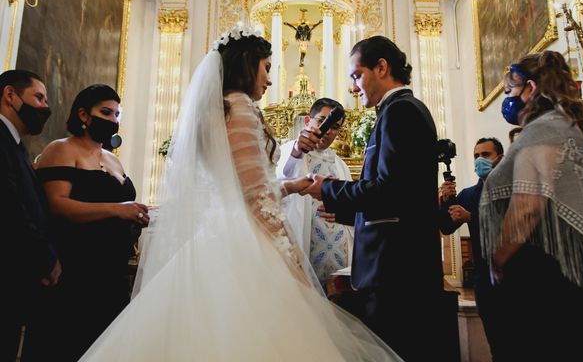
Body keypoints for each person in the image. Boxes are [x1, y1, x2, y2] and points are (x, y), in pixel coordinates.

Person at [78, 28, 402, 361]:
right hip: (247, 242)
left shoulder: (216, 110)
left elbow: (237, 185)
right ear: (247, 66)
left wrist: (291, 185)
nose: (270, 80)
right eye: (266, 68)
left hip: (218, 235)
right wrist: (290, 255)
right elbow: (257, 197)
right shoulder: (241, 108)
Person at [481, 51, 583, 361]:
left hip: (538, 274)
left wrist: (498, 257)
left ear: (530, 89)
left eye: (511, 91)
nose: (509, 99)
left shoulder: (545, 130)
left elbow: (528, 205)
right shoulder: (558, 126)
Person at [303, 36, 451, 361]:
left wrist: (329, 189)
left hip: (397, 270)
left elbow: (390, 190)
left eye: (357, 75)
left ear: (381, 67)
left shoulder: (401, 112)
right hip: (394, 264)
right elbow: (398, 199)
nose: (354, 88)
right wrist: (343, 212)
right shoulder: (395, 111)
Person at [35, 84, 149, 361]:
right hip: (77, 265)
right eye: (106, 112)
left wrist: (140, 213)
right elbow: (57, 204)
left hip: (112, 267)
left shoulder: (112, 159)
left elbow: (122, 205)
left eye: (117, 114)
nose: (113, 120)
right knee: (71, 343)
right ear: (84, 115)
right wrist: (116, 209)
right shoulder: (61, 149)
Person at [0, 69, 59, 362]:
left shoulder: (16, 146)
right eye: (38, 97)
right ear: (10, 95)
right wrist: (45, 257)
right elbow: (9, 206)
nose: (44, 107)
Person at [439, 137, 505, 361]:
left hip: (512, 275)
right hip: (484, 277)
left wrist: (471, 217)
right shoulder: (468, 194)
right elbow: (447, 227)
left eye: (485, 155)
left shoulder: (511, 189)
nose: (479, 160)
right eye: (476, 156)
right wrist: (446, 201)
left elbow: (508, 225)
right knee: (496, 340)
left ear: (500, 159)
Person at [276, 97, 354, 283]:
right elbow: (282, 176)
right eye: (322, 121)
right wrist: (297, 150)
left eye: (335, 127)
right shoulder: (288, 151)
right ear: (307, 121)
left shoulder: (341, 164)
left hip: (338, 253)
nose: (328, 131)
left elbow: (352, 203)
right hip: (303, 243)